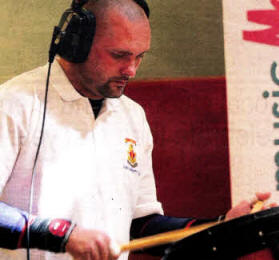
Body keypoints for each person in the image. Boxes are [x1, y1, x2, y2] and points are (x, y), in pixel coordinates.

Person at [0, 0, 273, 260]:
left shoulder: (132, 116)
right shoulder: (14, 103)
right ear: (77, 43)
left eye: (139, 57)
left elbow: (140, 224)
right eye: (119, 55)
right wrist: (62, 236)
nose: (131, 70)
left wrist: (221, 225)